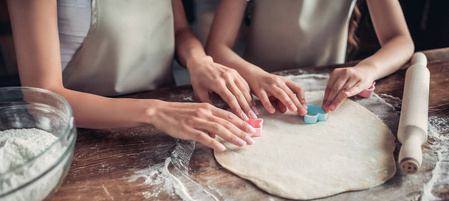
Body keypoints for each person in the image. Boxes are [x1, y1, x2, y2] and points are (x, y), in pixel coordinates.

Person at [7, 0, 257, 152]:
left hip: (166, 127)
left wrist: (199, 60)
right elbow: (41, 97)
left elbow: (179, 29)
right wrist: (155, 112)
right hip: (85, 136)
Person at [206, 0, 415, 114]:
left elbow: (401, 40)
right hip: (258, 90)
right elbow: (216, 47)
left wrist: (369, 69)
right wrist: (255, 75)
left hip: (328, 91)